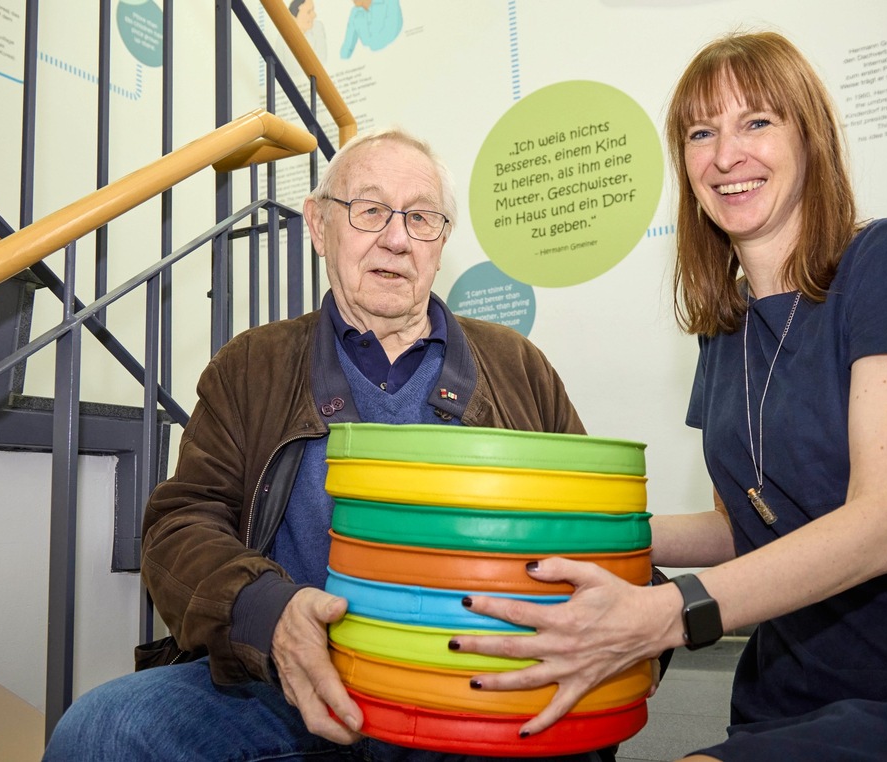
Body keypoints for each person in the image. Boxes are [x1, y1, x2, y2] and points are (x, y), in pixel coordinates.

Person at [456, 31, 887, 761]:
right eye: (700, 132)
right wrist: (579, 527)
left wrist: (666, 613)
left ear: (811, 137)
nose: (725, 154)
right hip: (799, 685)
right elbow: (748, 526)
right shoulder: (724, 328)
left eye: (757, 122)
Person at [43, 128, 602, 761]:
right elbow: (181, 523)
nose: (396, 237)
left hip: (478, 689)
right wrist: (267, 612)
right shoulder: (251, 365)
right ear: (318, 225)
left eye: (420, 217)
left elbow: (589, 527)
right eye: (369, 210)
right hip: (289, 685)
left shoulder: (517, 365)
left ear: (440, 242)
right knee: (101, 733)